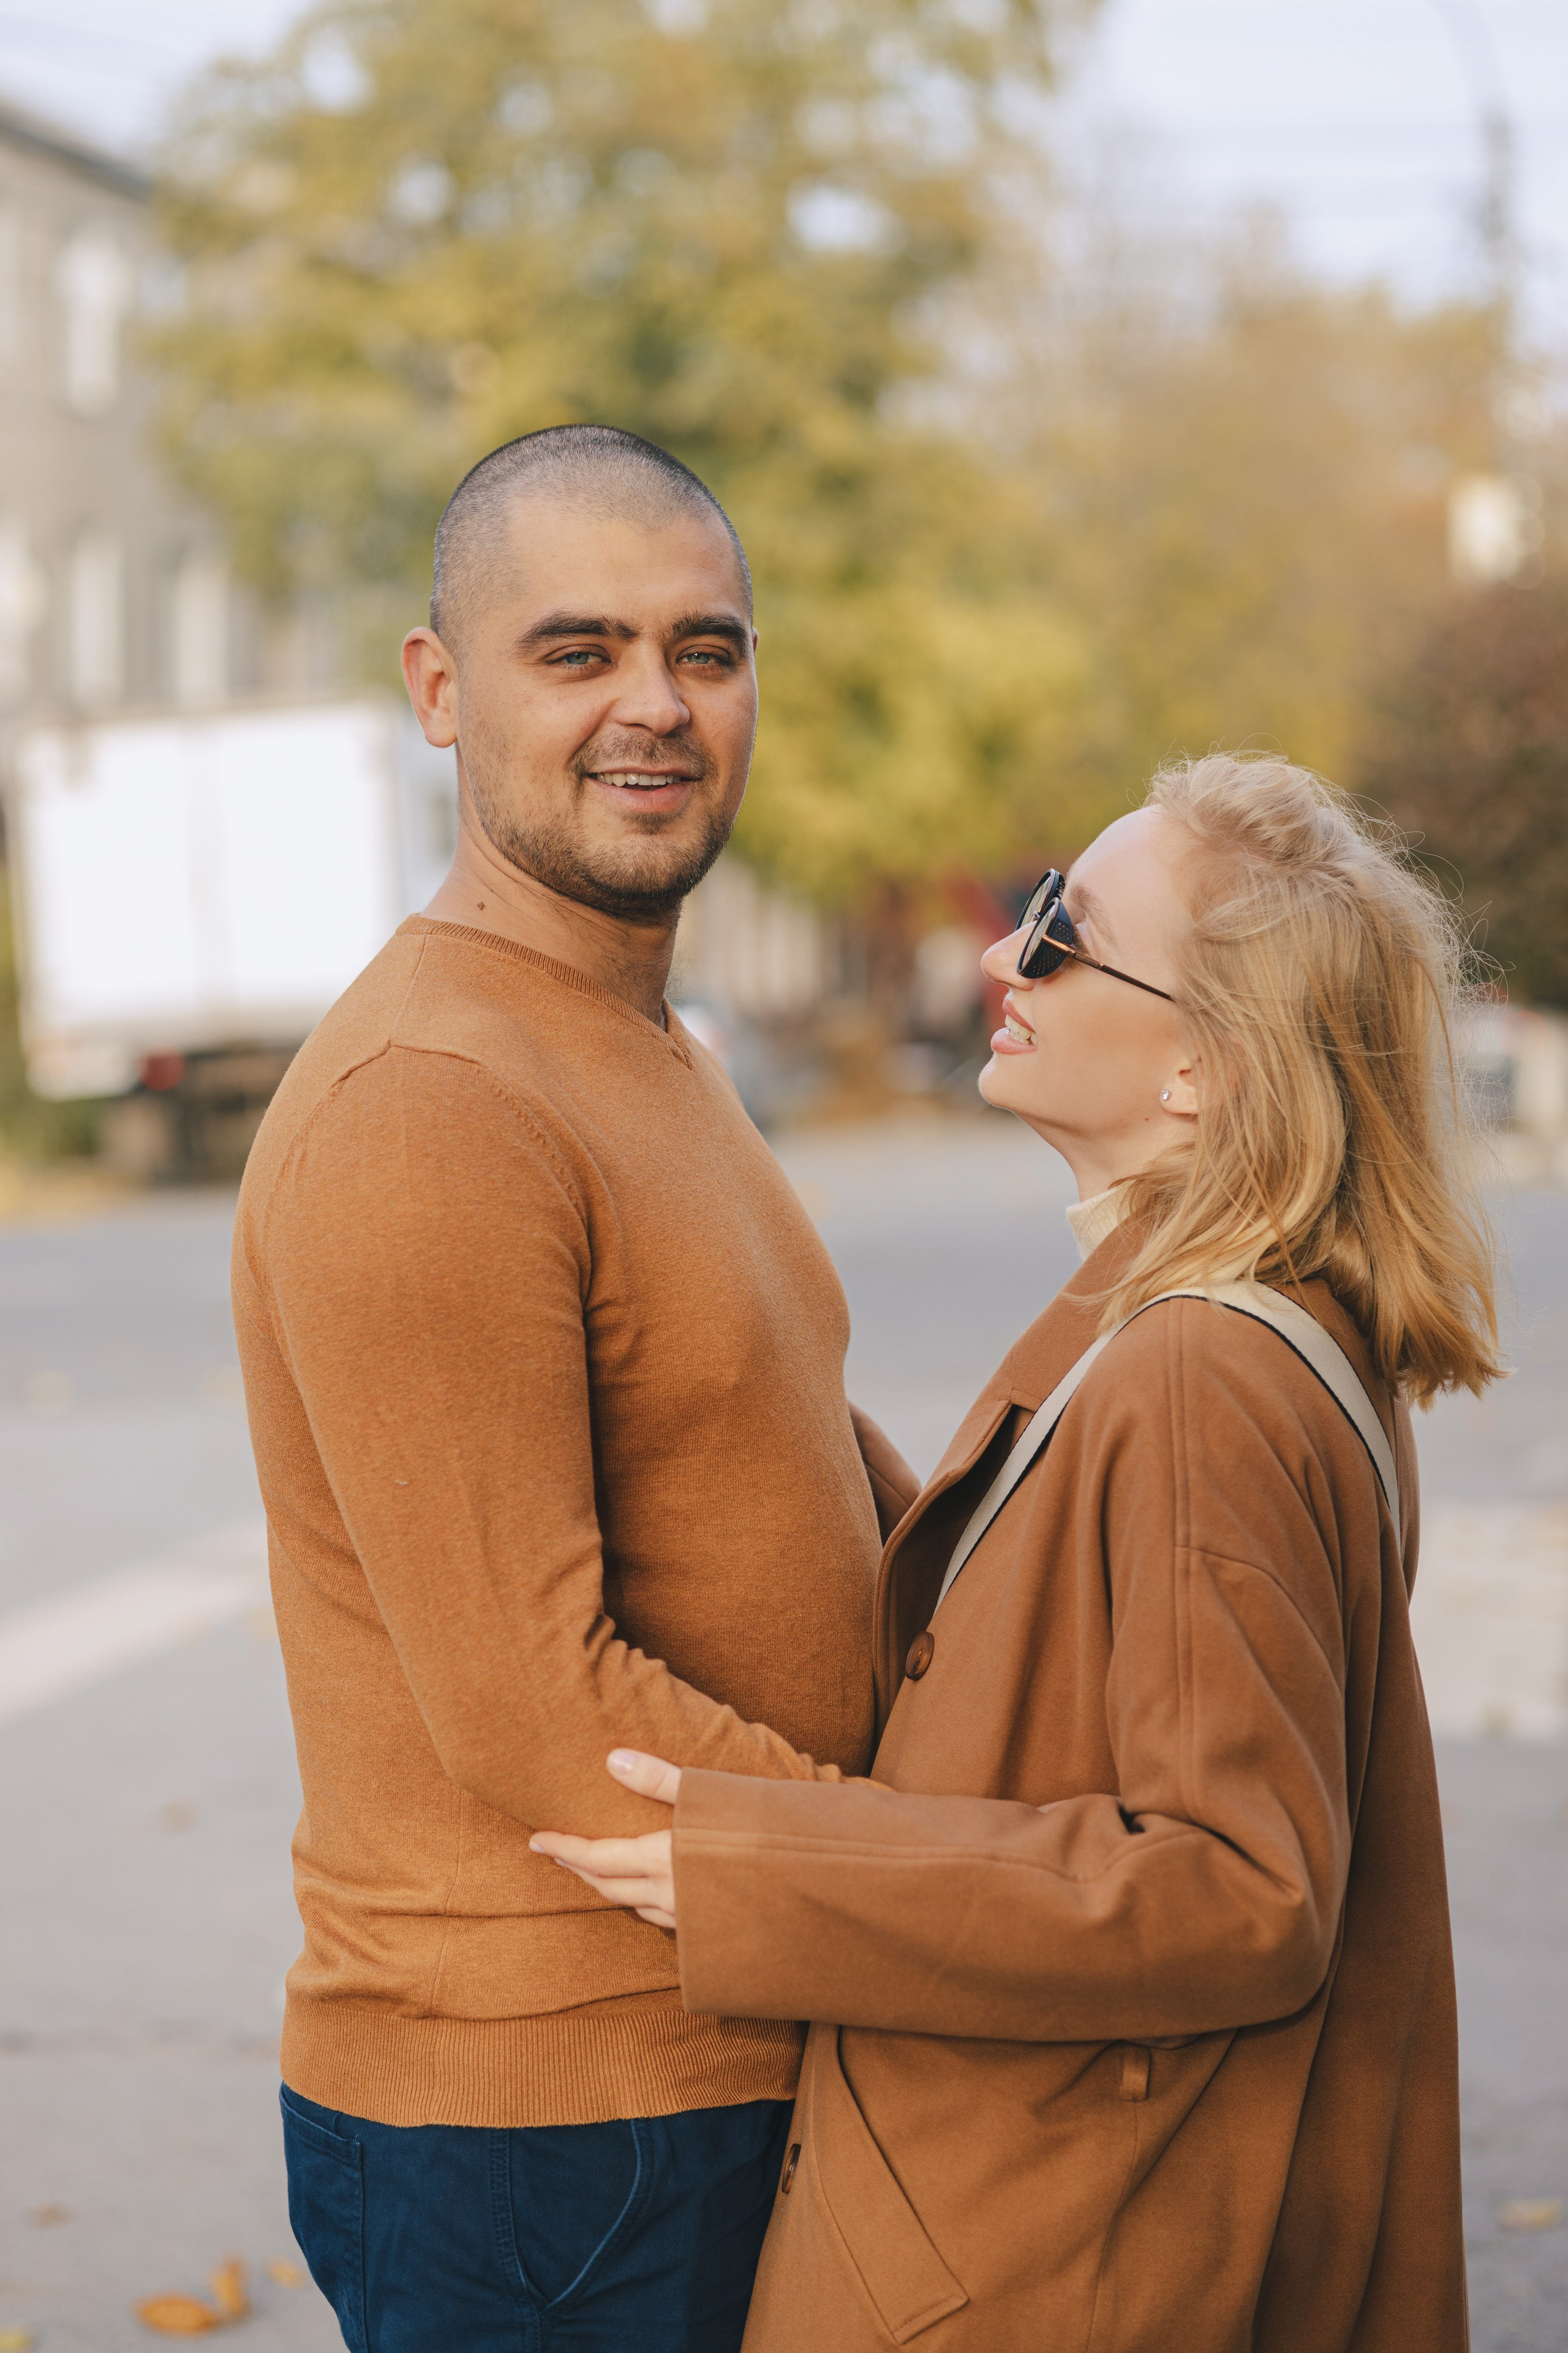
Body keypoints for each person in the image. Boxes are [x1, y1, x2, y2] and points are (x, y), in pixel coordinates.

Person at [533, 752, 1499, 2353]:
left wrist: (762, 1867)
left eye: (1061, 924)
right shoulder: (1259, 1323)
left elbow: (1236, 1887)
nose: (1002, 950)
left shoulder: (1202, 1370)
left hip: (1039, 2262)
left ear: (1202, 1067)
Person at [232, 425, 918, 2353]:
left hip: (711, 2055)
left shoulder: (644, 1044)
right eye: (580, 650)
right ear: (439, 693)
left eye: (707, 649)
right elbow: (543, 1714)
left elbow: (809, 1474)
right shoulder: (433, 1101)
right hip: (547, 2126)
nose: (658, 705)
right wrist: (943, 1876)